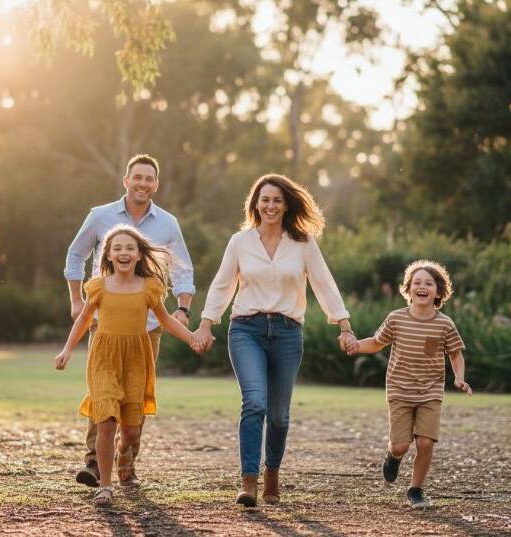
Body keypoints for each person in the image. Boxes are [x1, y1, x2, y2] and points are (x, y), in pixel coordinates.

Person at [194, 173, 356, 507]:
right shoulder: (240, 242)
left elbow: (324, 283)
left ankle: (272, 475)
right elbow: (223, 284)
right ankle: (248, 481)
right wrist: (206, 323)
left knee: (279, 415)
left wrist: (344, 324)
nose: (270, 205)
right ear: (255, 203)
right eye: (264, 199)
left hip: (286, 333)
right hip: (246, 329)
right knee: (254, 403)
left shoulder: (303, 243)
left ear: (286, 205)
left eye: (277, 200)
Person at [64, 154, 196, 487]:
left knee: (136, 393)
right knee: (103, 391)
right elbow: (75, 254)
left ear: (156, 184)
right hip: (104, 319)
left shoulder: (167, 223)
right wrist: (77, 300)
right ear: (126, 180)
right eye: (137, 177)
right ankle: (94, 462)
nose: (142, 183)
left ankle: (127, 461)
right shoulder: (100, 216)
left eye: (149, 179)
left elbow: (183, 268)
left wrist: (184, 307)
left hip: (148, 325)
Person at [55, 225, 203, 504]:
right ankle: (105, 486)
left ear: (138, 255)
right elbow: (84, 320)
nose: (123, 252)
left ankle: (125, 451)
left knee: (131, 428)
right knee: (106, 419)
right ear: (108, 255)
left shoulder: (149, 287)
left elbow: (166, 320)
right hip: (103, 357)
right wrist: (67, 351)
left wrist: (191, 338)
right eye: (117, 248)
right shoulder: (98, 286)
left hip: (136, 357)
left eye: (129, 248)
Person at [344, 260, 473, 508]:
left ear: (438, 291)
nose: (422, 287)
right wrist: (356, 345)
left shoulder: (444, 324)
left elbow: (455, 353)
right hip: (400, 390)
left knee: (425, 442)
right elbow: (377, 342)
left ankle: (416, 490)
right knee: (402, 445)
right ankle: (393, 455)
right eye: (417, 283)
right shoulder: (396, 319)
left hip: (430, 391)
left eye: (428, 283)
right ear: (408, 289)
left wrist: (459, 377)